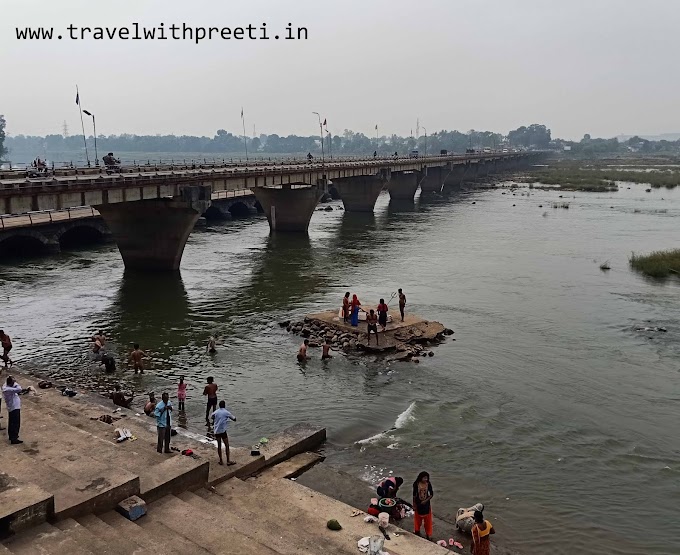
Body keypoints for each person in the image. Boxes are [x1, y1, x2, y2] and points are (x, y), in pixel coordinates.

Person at [212, 400, 237, 466]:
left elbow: (212, 416)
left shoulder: (216, 412)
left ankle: (221, 460)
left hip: (216, 431)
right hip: (223, 431)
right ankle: (228, 460)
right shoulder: (226, 412)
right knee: (227, 445)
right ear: (224, 405)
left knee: (219, 446)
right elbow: (234, 419)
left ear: (219, 405)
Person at [413, 471, 434, 541]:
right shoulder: (416, 484)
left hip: (426, 505)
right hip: (418, 504)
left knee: (428, 520)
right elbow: (414, 495)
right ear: (420, 478)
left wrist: (425, 501)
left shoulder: (428, 484)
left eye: (427, 478)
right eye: (424, 478)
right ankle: (417, 530)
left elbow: (431, 494)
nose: (426, 479)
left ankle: (428, 533)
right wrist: (414, 505)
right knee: (417, 519)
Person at [3, 376, 24, 444]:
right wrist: (15, 383)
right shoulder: (7, 389)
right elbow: (19, 389)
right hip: (14, 407)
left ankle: (12, 436)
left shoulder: (5, 386)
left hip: (13, 407)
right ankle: (14, 438)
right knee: (15, 423)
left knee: (12, 422)